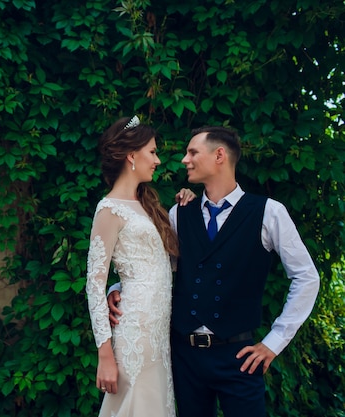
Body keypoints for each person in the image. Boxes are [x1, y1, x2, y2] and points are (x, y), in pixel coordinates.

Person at [107, 126, 320, 417]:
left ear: (219, 155)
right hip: (185, 357)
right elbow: (158, 268)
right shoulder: (179, 213)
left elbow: (307, 277)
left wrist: (274, 342)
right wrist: (118, 288)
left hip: (239, 358)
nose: (184, 160)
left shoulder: (269, 212)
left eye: (192, 152)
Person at [86, 115, 194, 417]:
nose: (157, 160)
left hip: (159, 332)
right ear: (131, 156)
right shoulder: (108, 210)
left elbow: (165, 265)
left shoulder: (148, 205)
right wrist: (104, 354)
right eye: (152, 152)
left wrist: (189, 204)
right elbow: (93, 284)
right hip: (135, 333)